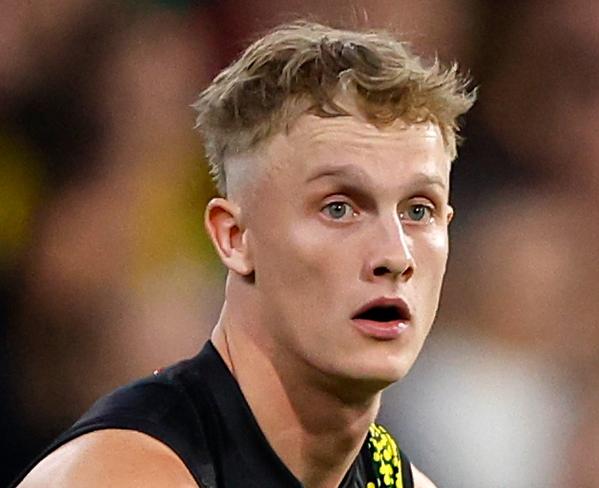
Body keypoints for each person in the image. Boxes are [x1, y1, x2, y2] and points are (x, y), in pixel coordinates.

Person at [15, 21, 474, 488]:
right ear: (234, 237)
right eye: (339, 208)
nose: (394, 255)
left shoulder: (400, 482)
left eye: (419, 210)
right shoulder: (122, 475)